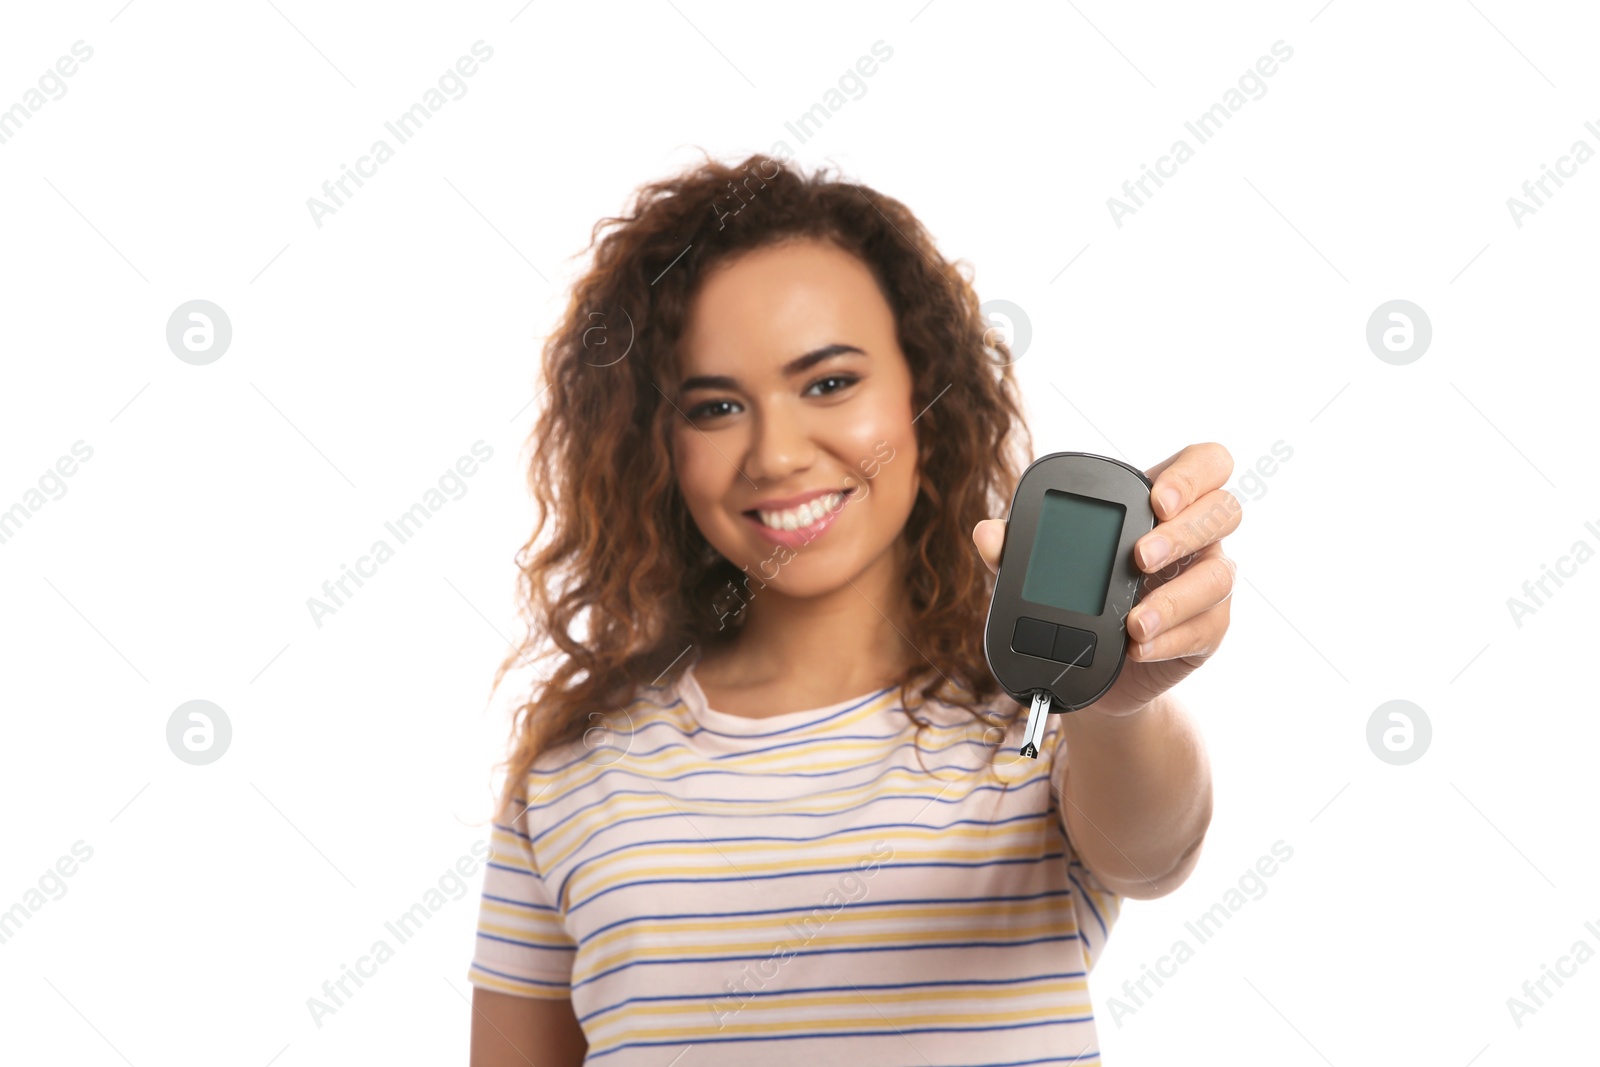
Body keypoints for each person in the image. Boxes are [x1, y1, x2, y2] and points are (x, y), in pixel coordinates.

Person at [466, 152, 1236, 1066]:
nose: (777, 452)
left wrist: (1117, 700)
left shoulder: (1027, 719)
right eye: (715, 405)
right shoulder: (570, 771)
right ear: (657, 444)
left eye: (829, 382)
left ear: (925, 390)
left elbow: (1155, 851)